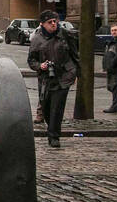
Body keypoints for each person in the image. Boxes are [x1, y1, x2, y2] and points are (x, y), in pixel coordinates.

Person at [27, 9, 79, 148]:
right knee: (46, 107)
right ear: (42, 24)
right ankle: (52, 129)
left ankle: (54, 136)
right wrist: (40, 66)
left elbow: (75, 56)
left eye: (55, 21)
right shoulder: (36, 39)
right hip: (45, 78)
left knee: (57, 107)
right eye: (50, 22)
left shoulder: (66, 35)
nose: (54, 24)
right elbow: (31, 60)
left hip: (63, 76)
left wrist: (76, 74)